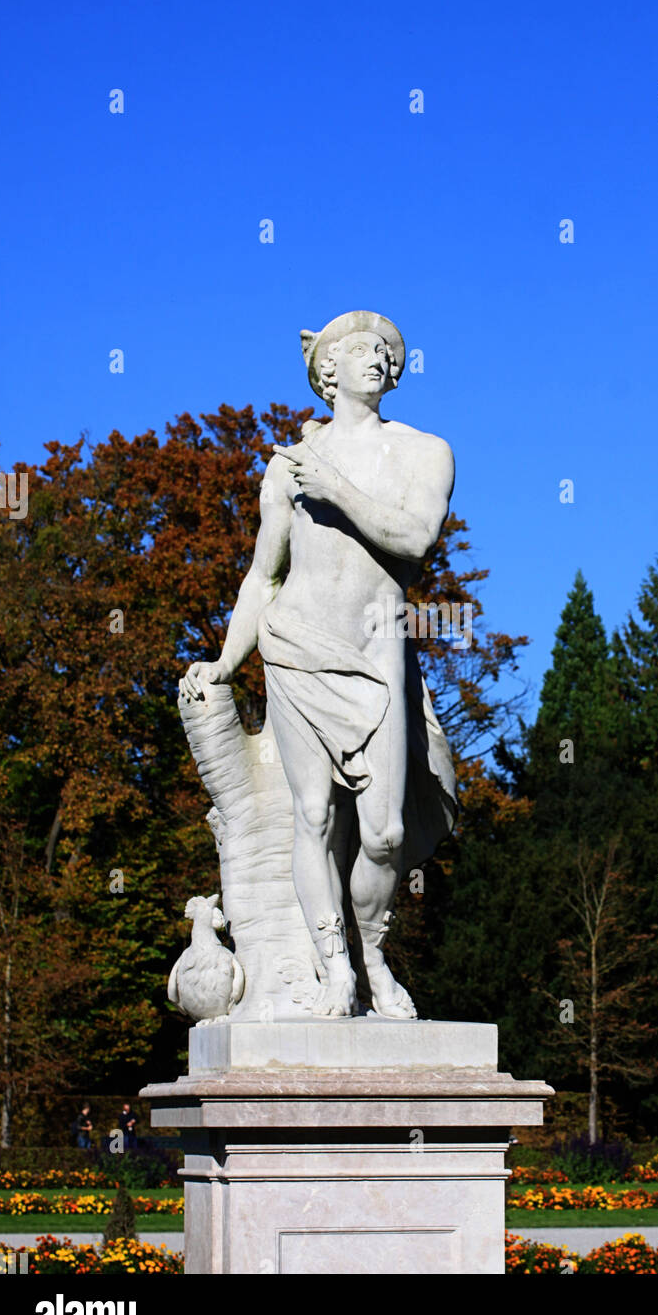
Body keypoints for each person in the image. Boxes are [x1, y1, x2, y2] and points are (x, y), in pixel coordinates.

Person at [180, 311, 456, 1019]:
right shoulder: (286, 467)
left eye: (388, 353)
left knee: (386, 832)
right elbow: (261, 579)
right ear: (326, 370)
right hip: (296, 643)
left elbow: (416, 537)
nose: (380, 360)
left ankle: (370, 946)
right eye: (362, 349)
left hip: (375, 648)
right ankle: (336, 964)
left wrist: (335, 489)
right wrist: (225, 660)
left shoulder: (423, 451)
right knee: (311, 815)